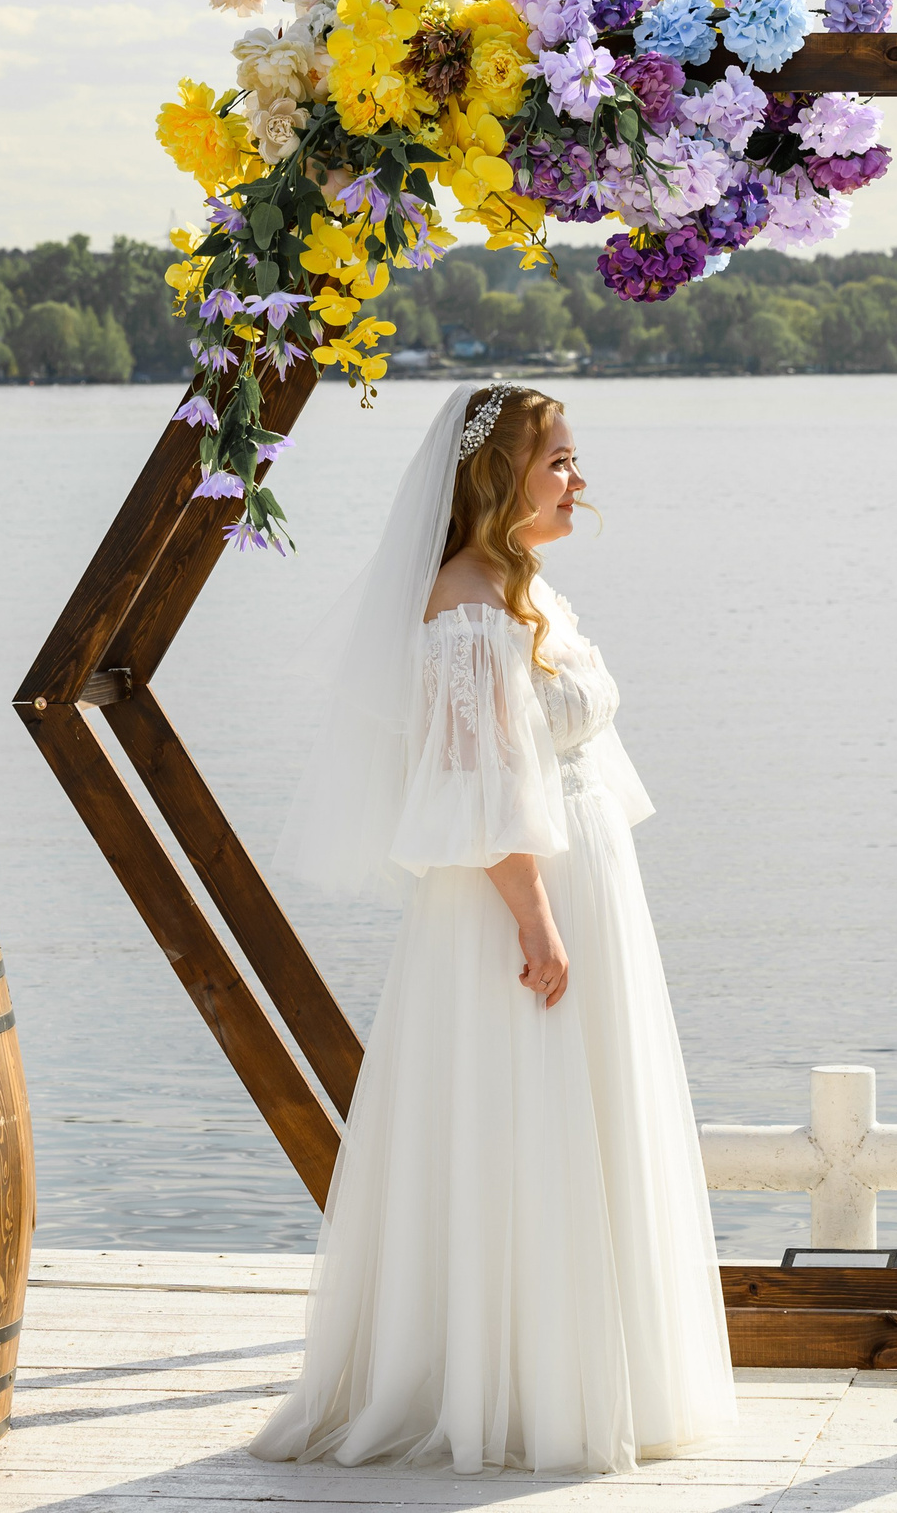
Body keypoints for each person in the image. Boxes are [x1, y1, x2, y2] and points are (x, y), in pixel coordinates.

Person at [250, 381, 736, 1475]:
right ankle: (510, 1381)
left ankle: (587, 1364)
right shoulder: (466, 603)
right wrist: (535, 917)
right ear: (495, 476)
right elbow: (474, 779)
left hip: (582, 867)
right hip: (514, 894)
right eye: (558, 458)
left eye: (573, 457)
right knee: (523, 1114)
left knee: (585, 1112)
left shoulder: (528, 590)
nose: (578, 477)